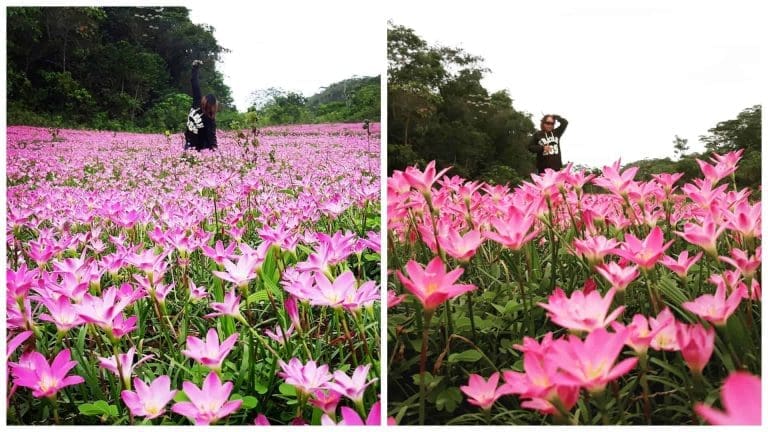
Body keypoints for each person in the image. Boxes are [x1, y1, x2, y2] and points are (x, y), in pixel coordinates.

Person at [184, 60, 218, 151]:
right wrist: (195, 67)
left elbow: (212, 136)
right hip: (189, 144)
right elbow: (194, 83)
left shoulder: (209, 118)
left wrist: (214, 149)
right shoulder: (197, 102)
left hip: (201, 149)